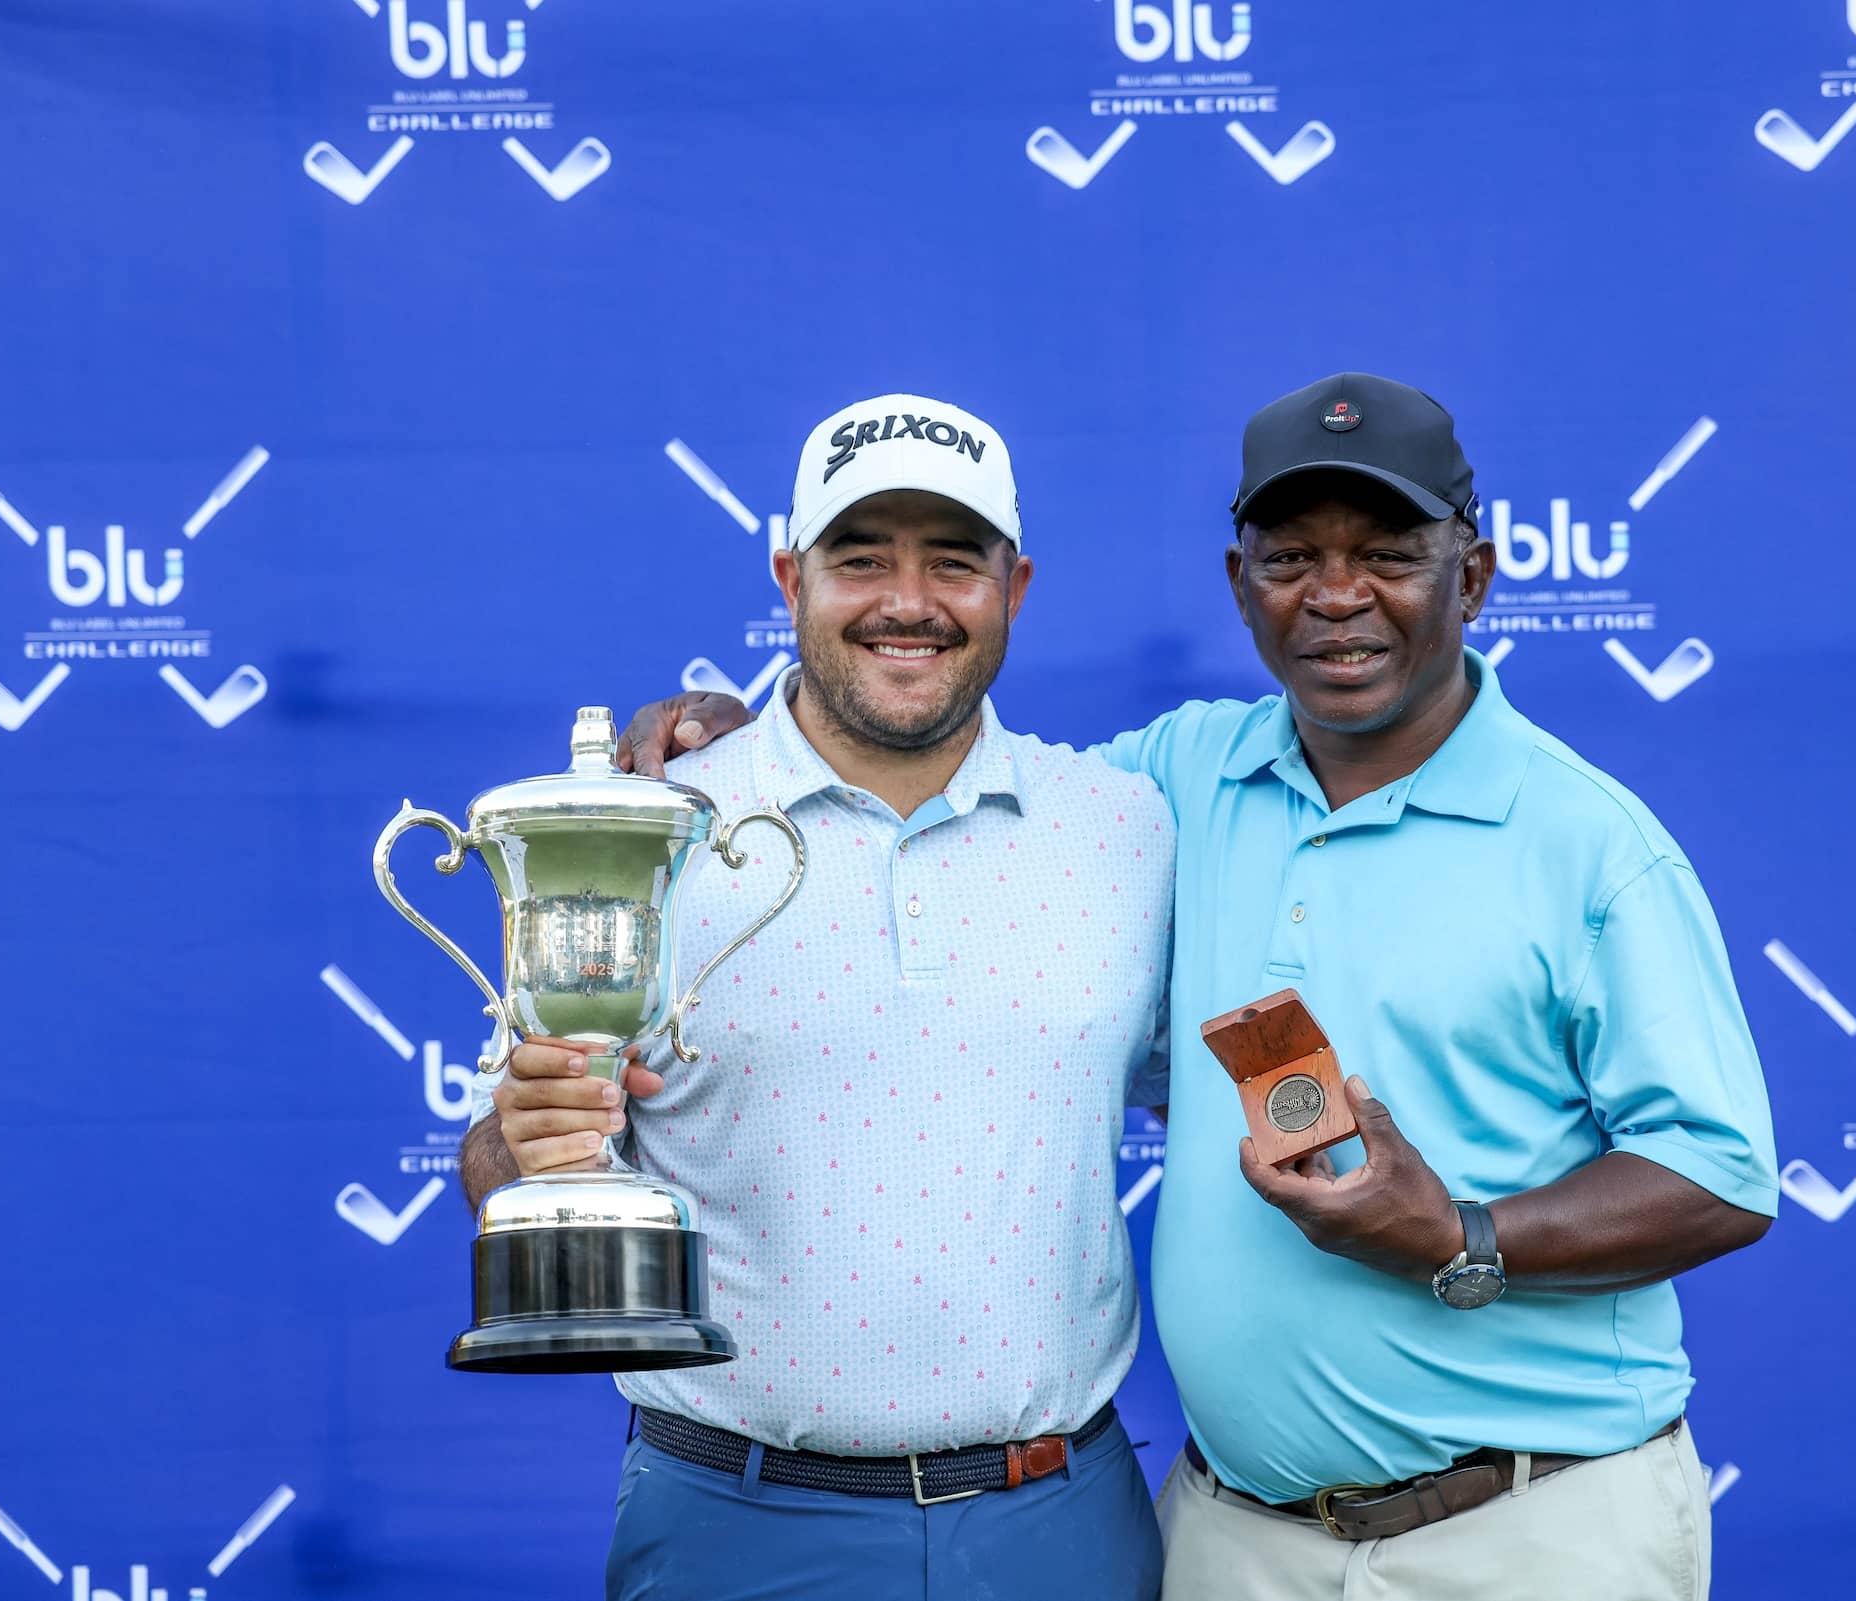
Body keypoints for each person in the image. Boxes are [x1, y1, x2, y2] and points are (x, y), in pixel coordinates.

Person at [624, 373, 1778, 1601]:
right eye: (1291, 558)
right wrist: (729, 736)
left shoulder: (1590, 842)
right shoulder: (1161, 789)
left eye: (1388, 553)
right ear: (1241, 587)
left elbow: (1721, 1175)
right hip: (1238, 1539)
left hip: (1529, 1528)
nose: (1337, 595)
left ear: (1474, 577)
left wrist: (1462, 1234)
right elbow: (920, 757)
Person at [460, 393, 1175, 1601]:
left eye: (954, 561)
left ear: (1017, 585)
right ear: (790, 577)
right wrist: (522, 1150)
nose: (908, 601)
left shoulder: (1125, 830)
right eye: (860, 559)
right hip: (737, 1528)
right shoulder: (654, 828)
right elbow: (512, 1153)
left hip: (1061, 1524)